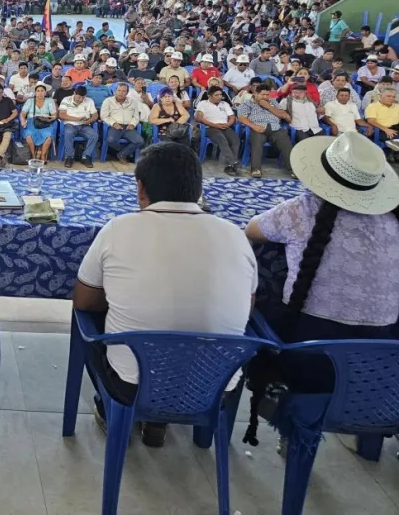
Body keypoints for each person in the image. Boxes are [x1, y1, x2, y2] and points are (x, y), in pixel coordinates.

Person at [73, 142, 257, 446]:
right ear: (199, 189)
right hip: (215, 387)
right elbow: (247, 311)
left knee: (94, 328)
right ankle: (167, 422)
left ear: (140, 188)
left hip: (132, 384)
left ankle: (118, 409)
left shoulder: (119, 229)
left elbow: (84, 301)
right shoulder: (235, 234)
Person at [242, 132, 399, 445]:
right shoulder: (393, 221)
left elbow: (251, 229)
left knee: (262, 255)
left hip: (310, 360)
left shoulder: (303, 209)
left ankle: (267, 379)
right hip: (384, 362)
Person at [237, 81, 294, 178]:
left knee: (285, 142)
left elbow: (284, 115)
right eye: (263, 94)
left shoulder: (273, 102)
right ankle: (256, 169)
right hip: (258, 127)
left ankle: (293, 169)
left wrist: (268, 106)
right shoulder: (247, 104)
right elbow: (242, 118)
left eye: (267, 94)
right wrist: (254, 126)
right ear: (255, 93)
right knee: (256, 141)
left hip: (275, 128)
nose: (265, 97)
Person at [195, 86, 240, 175]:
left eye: (220, 94)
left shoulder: (224, 104)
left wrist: (228, 124)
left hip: (224, 126)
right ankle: (233, 163)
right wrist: (214, 125)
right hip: (210, 128)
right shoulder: (203, 103)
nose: (220, 97)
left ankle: (232, 165)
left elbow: (232, 117)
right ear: (209, 96)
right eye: (216, 95)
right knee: (221, 139)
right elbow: (198, 118)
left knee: (235, 140)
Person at [101, 82, 143, 163]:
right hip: (115, 126)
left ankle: (122, 154)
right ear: (115, 91)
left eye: (124, 91)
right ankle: (125, 152)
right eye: (119, 90)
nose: (121, 93)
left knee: (139, 141)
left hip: (128, 127)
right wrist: (113, 123)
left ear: (127, 93)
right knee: (111, 140)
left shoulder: (133, 102)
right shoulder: (108, 101)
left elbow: (136, 116)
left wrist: (132, 124)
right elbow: (104, 116)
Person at [58, 84, 98, 168]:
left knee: (94, 135)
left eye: (82, 97)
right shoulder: (66, 100)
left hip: (84, 125)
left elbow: (95, 115)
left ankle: (85, 156)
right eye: (78, 97)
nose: (80, 100)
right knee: (69, 133)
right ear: (74, 93)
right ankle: (69, 156)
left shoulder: (89, 101)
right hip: (70, 124)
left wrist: (90, 120)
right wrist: (77, 119)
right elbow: (61, 115)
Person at [20, 82, 57, 163]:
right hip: (31, 122)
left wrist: (48, 120)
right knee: (29, 136)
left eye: (42, 91)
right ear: (35, 92)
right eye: (38, 91)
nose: (40, 93)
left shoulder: (49, 101)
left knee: (48, 137)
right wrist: (23, 121)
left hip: (45, 123)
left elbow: (54, 115)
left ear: (45, 92)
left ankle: (43, 156)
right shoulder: (30, 101)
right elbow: (22, 114)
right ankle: (33, 156)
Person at [0, 79, 18, 168]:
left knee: (7, 135)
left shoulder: (8, 100)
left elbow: (15, 113)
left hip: (7, 123)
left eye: (1, 93)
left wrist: (7, 119)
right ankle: (0, 159)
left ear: (3, 92)